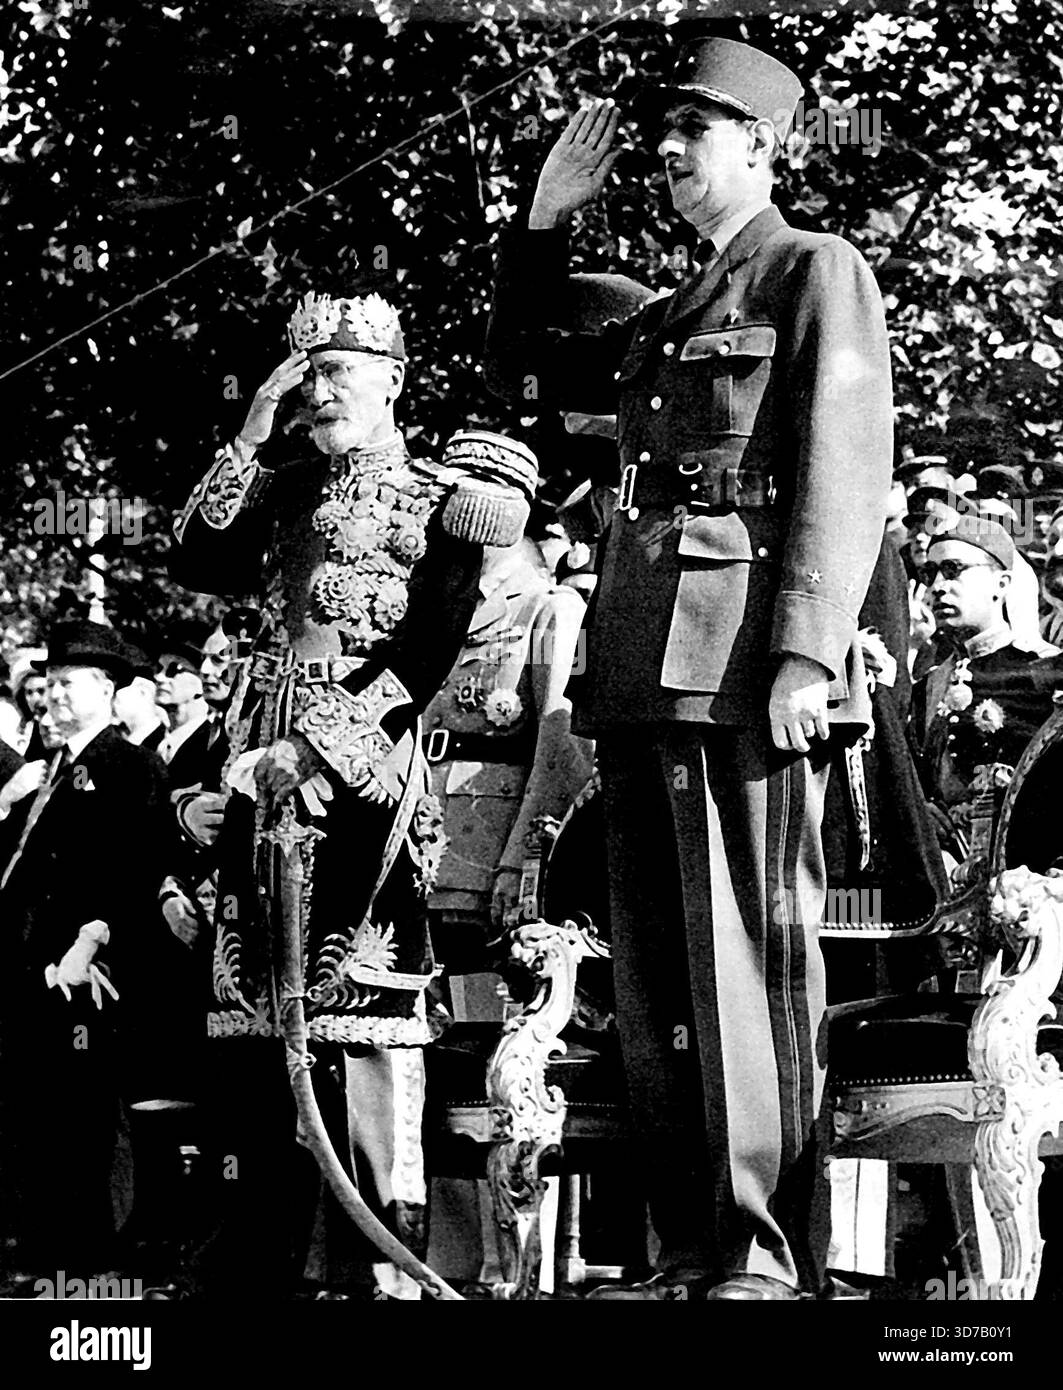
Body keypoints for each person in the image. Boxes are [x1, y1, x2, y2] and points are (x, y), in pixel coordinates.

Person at [486, 36, 893, 1300]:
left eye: (694, 131)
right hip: (642, 666)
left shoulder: (813, 267)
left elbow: (843, 462)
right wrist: (541, 232)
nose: (664, 153)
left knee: (744, 958)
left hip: (745, 670)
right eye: (659, 134)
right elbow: (526, 371)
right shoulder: (662, 317)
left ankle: (764, 1253)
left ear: (762, 146)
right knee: (662, 971)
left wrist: (805, 653)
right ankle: (689, 1249)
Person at [168, 287, 537, 1298]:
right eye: (307, 372)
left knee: (361, 1012)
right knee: (254, 1004)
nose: (319, 389)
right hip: (259, 760)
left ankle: (385, 1254)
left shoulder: (441, 494)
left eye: (338, 370)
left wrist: (321, 751)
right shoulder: (281, 484)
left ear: (392, 380)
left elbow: (428, 650)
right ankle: (263, 1255)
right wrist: (249, 429)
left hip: (365, 768)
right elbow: (196, 556)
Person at [0, 622, 171, 1283]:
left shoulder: (129, 766)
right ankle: (43, 1251)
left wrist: (89, 942)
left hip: (85, 969)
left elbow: (132, 869)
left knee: (84, 1119)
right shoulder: (51, 771)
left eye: (68, 684)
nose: (52, 697)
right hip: (29, 965)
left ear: (105, 689)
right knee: (34, 1112)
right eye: (47, 686)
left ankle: (90, 1256)